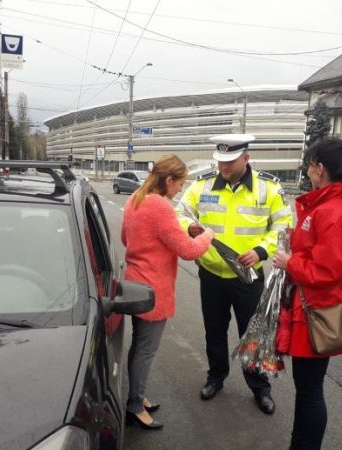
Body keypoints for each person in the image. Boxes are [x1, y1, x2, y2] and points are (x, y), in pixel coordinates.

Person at [270, 136, 342, 450]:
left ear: (320, 168)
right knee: (304, 388)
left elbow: (326, 273)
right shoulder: (323, 207)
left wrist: (290, 262)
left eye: (310, 163)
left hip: (318, 315)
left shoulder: (333, 213)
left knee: (310, 391)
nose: (307, 170)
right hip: (309, 310)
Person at [178, 134, 293, 414]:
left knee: (253, 334)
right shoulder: (202, 185)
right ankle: (216, 377)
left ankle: (260, 388)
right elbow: (179, 213)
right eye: (220, 161)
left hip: (248, 277)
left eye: (230, 161)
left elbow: (283, 226)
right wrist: (189, 227)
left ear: (246, 158)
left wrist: (261, 251)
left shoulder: (268, 188)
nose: (224, 167)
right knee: (214, 331)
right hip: (211, 274)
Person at [122, 154, 214, 430]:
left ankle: (136, 395)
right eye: (180, 184)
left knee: (139, 346)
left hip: (134, 284)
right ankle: (135, 406)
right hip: (153, 289)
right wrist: (207, 235)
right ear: (169, 179)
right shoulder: (160, 206)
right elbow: (187, 250)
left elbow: (125, 238)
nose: (180, 190)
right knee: (145, 351)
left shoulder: (135, 198)